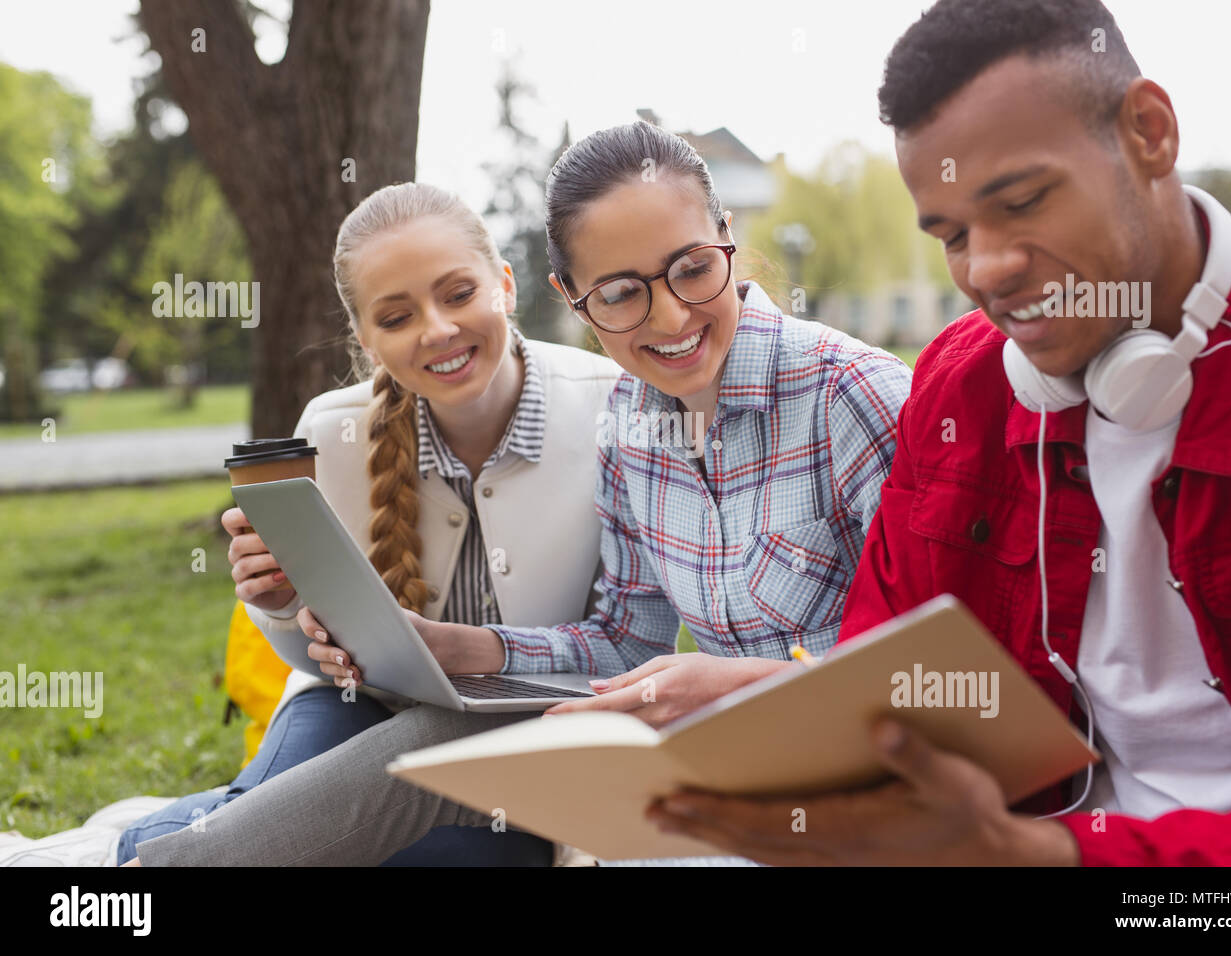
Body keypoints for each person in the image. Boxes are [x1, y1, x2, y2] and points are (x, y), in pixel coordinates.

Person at [128, 120, 912, 866]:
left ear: (729, 238)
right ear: (570, 296)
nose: (669, 314)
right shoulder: (635, 418)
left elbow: (953, 679)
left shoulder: (857, 397)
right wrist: (461, 647)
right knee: (429, 739)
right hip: (714, 771)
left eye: (694, 268)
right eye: (619, 293)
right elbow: (624, 642)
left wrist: (736, 687)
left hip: (863, 792)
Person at [646, 0, 1231, 866]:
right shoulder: (961, 385)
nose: (985, 269)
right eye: (951, 235)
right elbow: (887, 686)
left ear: (1149, 132)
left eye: (1022, 202)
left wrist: (1018, 853)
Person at [120, 182, 621, 866]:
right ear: (364, 336)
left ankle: (155, 854)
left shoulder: (612, 414)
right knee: (296, 831)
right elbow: (320, 666)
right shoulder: (330, 431)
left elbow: (627, 643)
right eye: (396, 316)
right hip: (357, 709)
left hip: (527, 736)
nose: (438, 330)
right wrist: (283, 606)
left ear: (504, 284)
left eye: (458, 293)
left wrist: (471, 648)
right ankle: (175, 848)